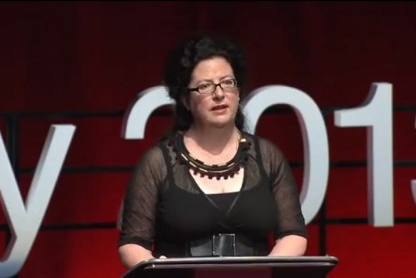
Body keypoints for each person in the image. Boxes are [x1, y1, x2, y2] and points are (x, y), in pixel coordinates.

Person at [117, 33, 307, 269]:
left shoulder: (267, 156)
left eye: (227, 82)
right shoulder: (157, 163)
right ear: (185, 100)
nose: (219, 94)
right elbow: (132, 243)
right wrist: (159, 269)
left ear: (238, 91)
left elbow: (293, 233)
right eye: (205, 86)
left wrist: (262, 272)